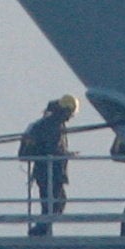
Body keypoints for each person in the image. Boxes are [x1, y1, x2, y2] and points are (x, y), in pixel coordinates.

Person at [20, 94, 78, 237]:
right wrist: (65, 155)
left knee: (52, 204)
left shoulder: (49, 123)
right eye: (70, 114)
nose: (70, 117)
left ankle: (41, 231)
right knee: (54, 204)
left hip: (46, 171)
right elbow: (50, 149)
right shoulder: (52, 125)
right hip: (49, 172)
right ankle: (38, 232)